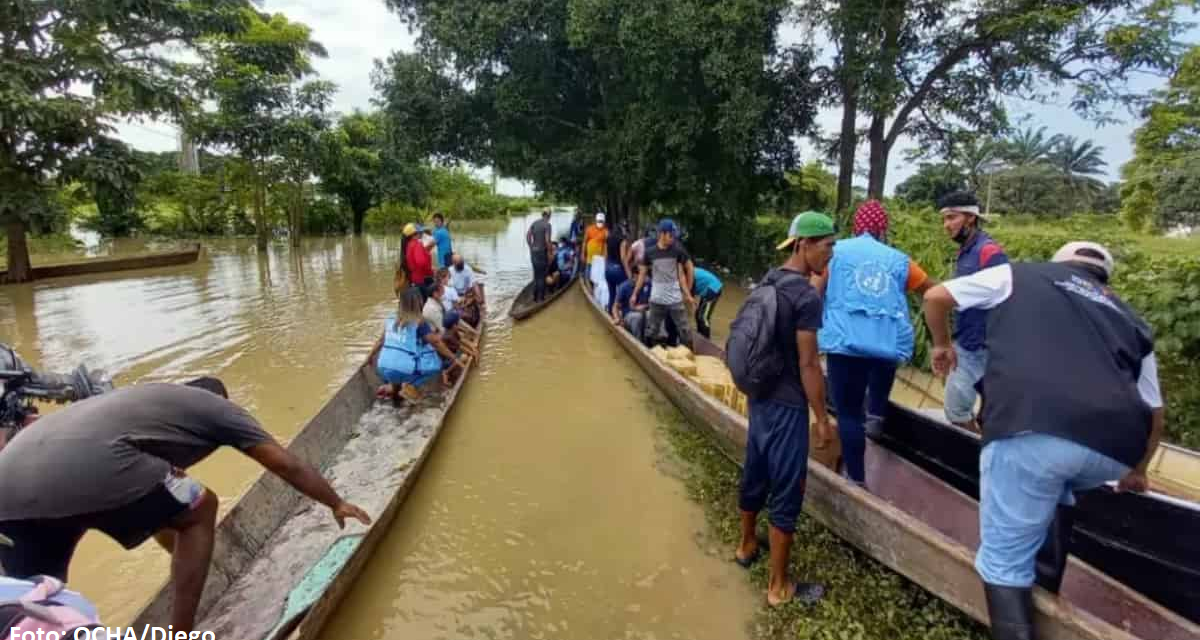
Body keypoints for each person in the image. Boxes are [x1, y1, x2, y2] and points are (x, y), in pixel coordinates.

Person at [921, 241, 1164, 640]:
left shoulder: (1019, 274)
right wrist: (1137, 471)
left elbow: (935, 296)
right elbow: (1155, 411)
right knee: (1057, 489)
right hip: (1115, 449)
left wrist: (942, 344)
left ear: (1060, 264)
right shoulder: (1128, 315)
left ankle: (1019, 612)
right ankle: (1046, 595)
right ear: (1104, 277)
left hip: (1030, 427)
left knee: (1002, 565)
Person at [0, 377, 372, 633]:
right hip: (90, 466)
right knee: (202, 507)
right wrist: (334, 501)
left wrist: (182, 555)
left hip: (9, 484)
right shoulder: (220, 411)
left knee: (38, 601)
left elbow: (157, 505)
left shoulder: (154, 407)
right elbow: (284, 462)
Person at [732, 211, 836, 606]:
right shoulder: (806, 296)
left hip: (758, 396)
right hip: (788, 405)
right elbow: (809, 364)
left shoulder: (769, 280)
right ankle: (779, 587)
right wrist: (822, 419)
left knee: (755, 472)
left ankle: (745, 546)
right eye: (826, 245)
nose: (830, 253)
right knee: (787, 488)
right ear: (803, 245)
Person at [815, 200, 937, 487]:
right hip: (886, 345)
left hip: (845, 345)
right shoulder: (900, 260)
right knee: (882, 368)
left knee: (847, 413)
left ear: (856, 227)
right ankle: (877, 419)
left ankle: (856, 479)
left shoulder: (835, 253)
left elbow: (813, 293)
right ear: (883, 230)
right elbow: (933, 293)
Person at [937, 191, 1008, 432]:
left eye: (952, 218)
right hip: (966, 340)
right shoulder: (965, 251)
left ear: (970, 218)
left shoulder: (989, 252)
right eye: (944, 220)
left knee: (959, 413)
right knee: (971, 413)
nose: (946, 225)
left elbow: (1004, 295)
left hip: (984, 346)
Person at [372, 286, 471, 401]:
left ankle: (396, 395)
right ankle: (410, 385)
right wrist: (454, 358)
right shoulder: (419, 320)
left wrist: (369, 358)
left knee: (399, 366)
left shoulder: (391, 317)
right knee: (436, 364)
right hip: (401, 368)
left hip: (382, 366)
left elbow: (380, 341)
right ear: (419, 301)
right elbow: (436, 342)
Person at [632, 219, 694, 348]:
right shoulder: (649, 253)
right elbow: (642, 275)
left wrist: (688, 294)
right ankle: (652, 354)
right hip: (657, 298)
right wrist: (634, 294)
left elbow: (682, 274)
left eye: (673, 235)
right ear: (662, 234)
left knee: (685, 330)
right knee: (652, 330)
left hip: (675, 298)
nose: (673, 238)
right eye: (671, 235)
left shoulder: (677, 250)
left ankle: (689, 355)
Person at [527, 209, 555, 302]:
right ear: (549, 215)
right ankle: (541, 298)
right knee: (542, 276)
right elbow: (547, 240)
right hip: (542, 253)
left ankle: (535, 298)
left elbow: (528, 235)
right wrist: (550, 253)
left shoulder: (534, 223)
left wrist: (531, 247)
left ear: (542, 214)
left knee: (536, 275)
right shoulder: (547, 225)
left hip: (534, 252)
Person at [584, 212, 610, 310]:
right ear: (596, 220)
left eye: (601, 221)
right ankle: (590, 294)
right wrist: (583, 253)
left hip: (599, 259)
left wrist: (605, 258)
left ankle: (594, 297)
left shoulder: (606, 231)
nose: (600, 222)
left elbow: (606, 245)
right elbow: (585, 242)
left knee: (597, 279)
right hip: (590, 258)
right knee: (587, 276)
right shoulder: (589, 229)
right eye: (598, 221)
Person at [403, 222, 435, 299]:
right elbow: (421, 262)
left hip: (415, 279)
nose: (422, 233)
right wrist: (431, 270)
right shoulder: (417, 244)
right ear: (415, 233)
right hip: (423, 278)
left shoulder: (409, 244)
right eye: (420, 231)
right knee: (428, 300)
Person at [690, 266, 723, 339]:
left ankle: (706, 339)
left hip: (713, 289)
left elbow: (690, 290)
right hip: (708, 288)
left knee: (703, 317)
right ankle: (700, 336)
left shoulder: (687, 272)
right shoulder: (686, 270)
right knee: (698, 314)